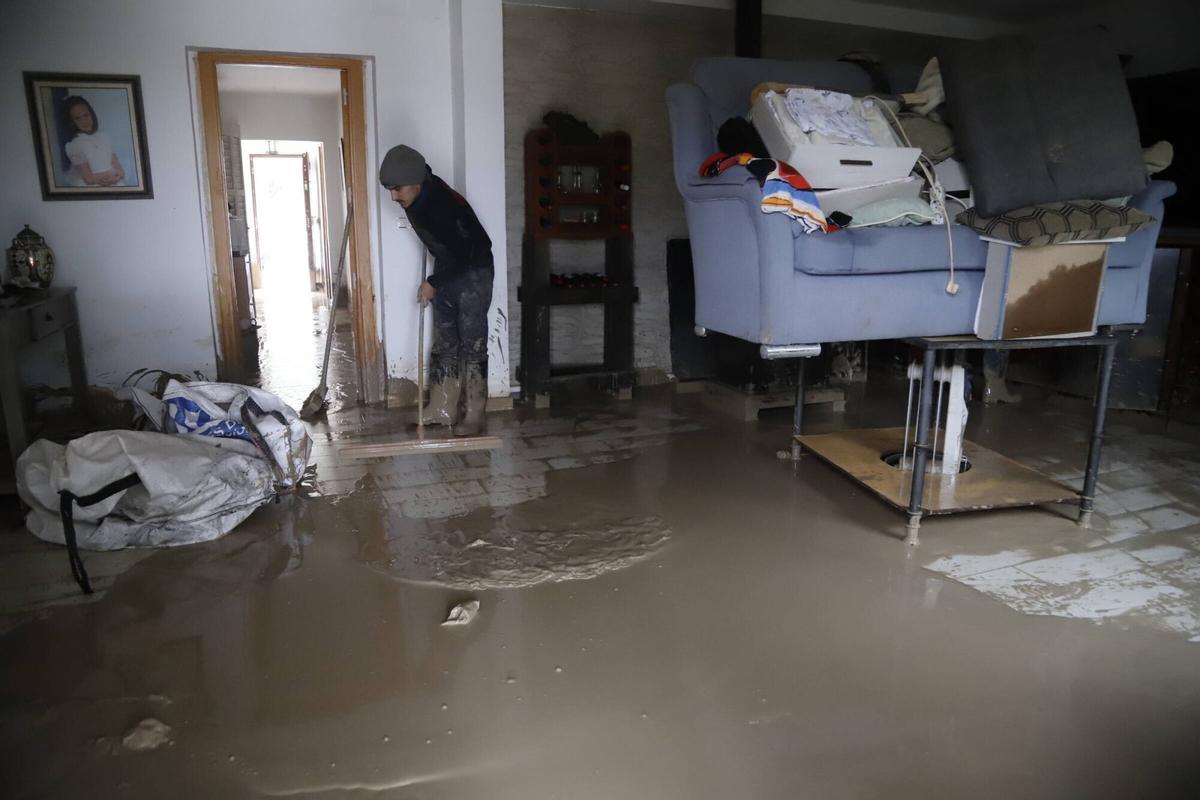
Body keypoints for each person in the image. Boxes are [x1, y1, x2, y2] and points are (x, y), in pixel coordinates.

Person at [379, 145, 493, 436]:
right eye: (390, 189)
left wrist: (433, 283)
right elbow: (449, 251)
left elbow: (468, 252)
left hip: (474, 271)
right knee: (445, 342)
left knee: (471, 344)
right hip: (448, 267)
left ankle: (474, 414)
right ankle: (442, 409)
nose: (393, 196)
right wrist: (438, 278)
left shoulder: (442, 206)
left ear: (416, 183)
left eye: (397, 189)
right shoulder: (418, 193)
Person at [62, 95, 125, 187]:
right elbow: (89, 178)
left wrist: (118, 174)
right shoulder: (74, 145)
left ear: (91, 114)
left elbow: (116, 163)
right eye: (78, 118)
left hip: (113, 179)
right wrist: (110, 178)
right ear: (72, 122)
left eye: (86, 115)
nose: (84, 121)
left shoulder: (104, 137)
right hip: (94, 184)